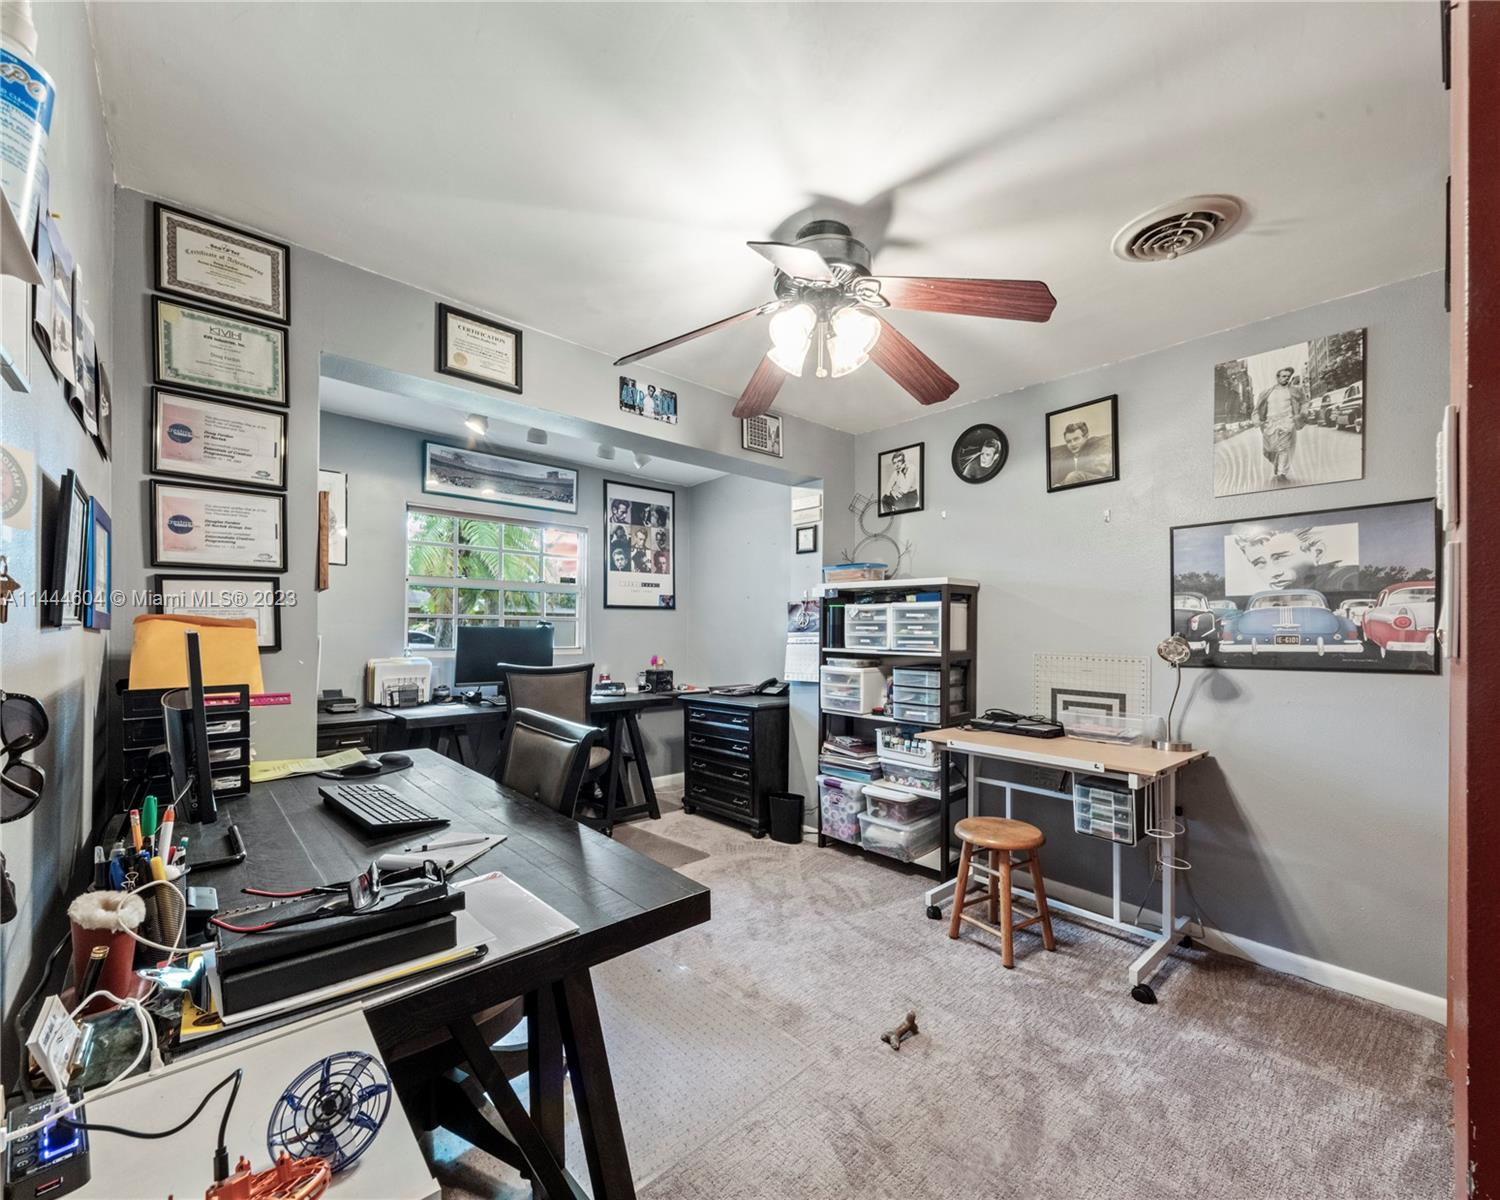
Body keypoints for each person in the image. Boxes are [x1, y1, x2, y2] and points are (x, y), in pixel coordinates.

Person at [1232, 524, 1360, 592]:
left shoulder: (1343, 578)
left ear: (1317, 552)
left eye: (1280, 557)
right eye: (1259, 563)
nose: (1273, 573)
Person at [1254, 366, 1306, 482]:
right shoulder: (1267, 392)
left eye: (1288, 377)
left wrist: (1301, 414)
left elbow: (1304, 402)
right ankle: (1277, 465)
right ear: (1277, 377)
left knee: (1284, 448)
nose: (1286, 378)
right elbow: (1257, 408)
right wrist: (1257, 420)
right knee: (1270, 449)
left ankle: (1281, 473)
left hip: (1287, 422)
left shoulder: (1294, 391)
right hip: (1270, 424)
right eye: (1283, 376)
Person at [1049, 420, 1111, 484]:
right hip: (1079, 482)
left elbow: (1099, 469)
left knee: (1074, 476)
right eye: (1068, 441)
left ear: (1086, 437)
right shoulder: (1067, 458)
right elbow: (1060, 480)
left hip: (1102, 481)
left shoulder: (1096, 445)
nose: (1073, 444)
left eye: (1076, 439)